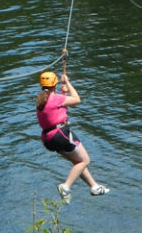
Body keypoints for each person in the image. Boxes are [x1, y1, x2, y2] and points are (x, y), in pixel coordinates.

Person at [36, 70, 109, 203]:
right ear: (55, 84)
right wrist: (68, 84)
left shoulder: (41, 100)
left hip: (48, 139)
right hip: (60, 134)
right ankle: (66, 186)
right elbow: (77, 99)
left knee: (78, 163)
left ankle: (94, 186)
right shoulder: (55, 98)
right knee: (84, 161)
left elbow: (58, 109)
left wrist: (63, 93)